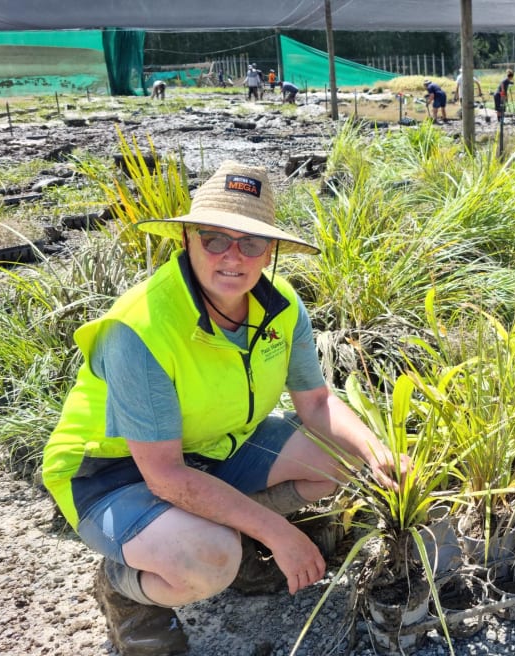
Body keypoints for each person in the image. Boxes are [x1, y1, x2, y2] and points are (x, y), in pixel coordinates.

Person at [41, 160, 409, 656]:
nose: (232, 257)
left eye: (251, 242)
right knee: (209, 559)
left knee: (344, 460)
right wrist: (279, 533)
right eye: (215, 239)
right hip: (111, 471)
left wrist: (376, 451)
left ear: (270, 250)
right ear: (188, 239)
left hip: (215, 446)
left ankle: (231, 534)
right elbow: (166, 477)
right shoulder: (141, 329)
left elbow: (317, 401)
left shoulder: (280, 307)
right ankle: (124, 586)